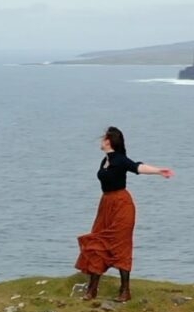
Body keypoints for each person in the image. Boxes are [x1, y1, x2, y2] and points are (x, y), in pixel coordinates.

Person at [75, 126, 174, 301]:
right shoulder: (104, 161)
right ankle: (92, 289)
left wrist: (158, 171)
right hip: (106, 204)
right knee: (97, 241)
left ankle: (125, 291)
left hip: (122, 205)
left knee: (121, 245)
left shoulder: (120, 160)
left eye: (103, 138)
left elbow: (137, 167)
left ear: (109, 141)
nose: (100, 141)